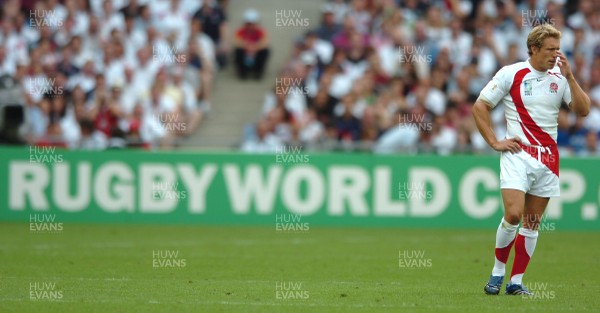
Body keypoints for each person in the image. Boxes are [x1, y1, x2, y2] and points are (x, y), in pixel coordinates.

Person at [472, 24, 590, 296]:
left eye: (557, 49)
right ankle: (497, 272)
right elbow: (481, 106)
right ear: (534, 49)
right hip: (517, 154)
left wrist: (571, 77)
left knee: (532, 222)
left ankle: (516, 281)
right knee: (513, 214)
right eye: (550, 49)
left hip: (548, 158)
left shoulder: (560, 78)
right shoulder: (511, 73)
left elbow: (582, 110)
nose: (555, 55)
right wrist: (494, 141)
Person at [233, 8, 269, 80]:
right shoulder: (240, 31)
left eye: (253, 24)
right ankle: (242, 72)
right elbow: (236, 42)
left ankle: (258, 72)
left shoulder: (261, 32)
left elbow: (265, 43)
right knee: (237, 51)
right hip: (245, 52)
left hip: (256, 52)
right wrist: (248, 47)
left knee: (265, 52)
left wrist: (254, 48)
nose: (250, 26)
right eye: (248, 24)